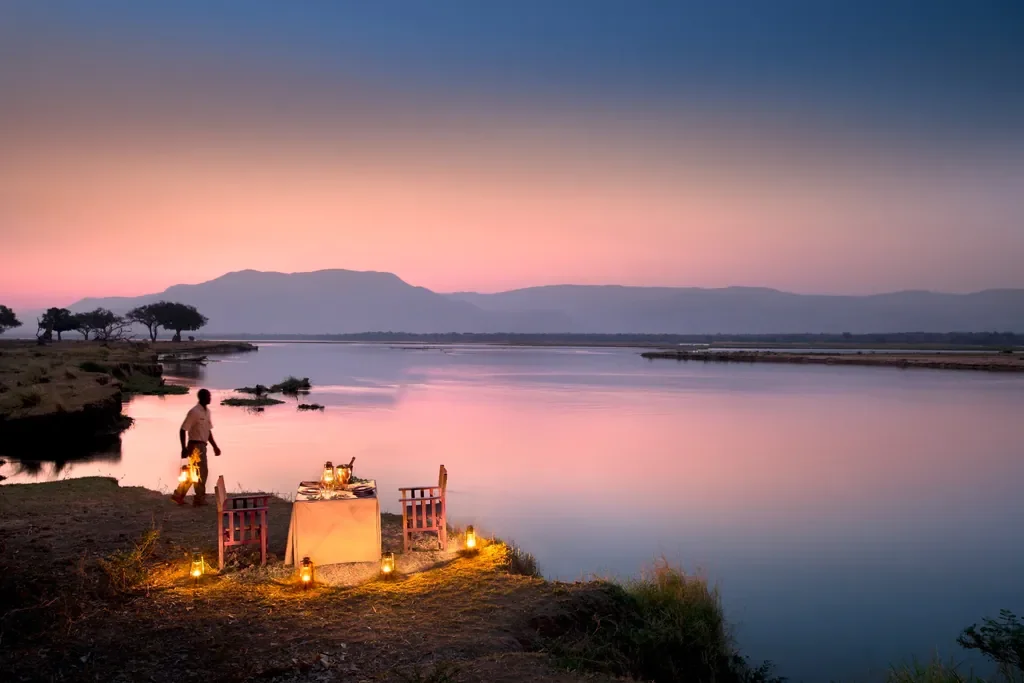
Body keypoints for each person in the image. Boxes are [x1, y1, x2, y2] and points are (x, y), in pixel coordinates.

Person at [171, 388, 222, 506]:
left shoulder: (207, 412)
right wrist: (183, 448)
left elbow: (208, 431)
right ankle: (199, 499)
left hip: (203, 446)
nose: (210, 398)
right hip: (194, 446)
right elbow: (183, 429)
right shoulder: (194, 412)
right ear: (202, 398)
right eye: (208, 396)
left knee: (193, 472)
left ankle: (178, 495)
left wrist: (215, 446)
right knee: (201, 472)